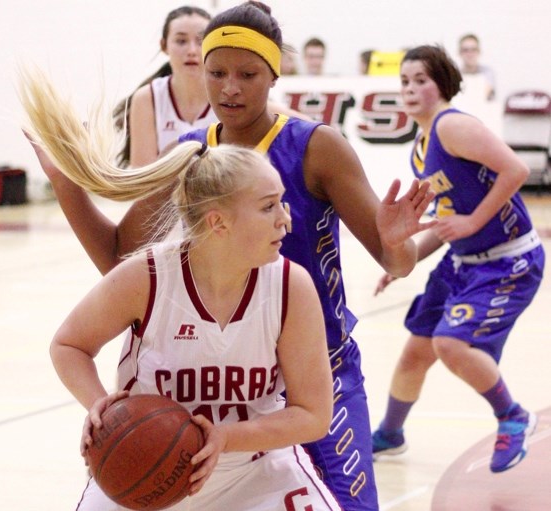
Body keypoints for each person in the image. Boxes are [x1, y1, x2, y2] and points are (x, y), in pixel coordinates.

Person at [23, 2, 435, 509]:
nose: (230, 88)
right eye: (216, 72)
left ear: (274, 75)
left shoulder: (317, 147)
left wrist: (394, 242)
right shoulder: (191, 155)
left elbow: (397, 263)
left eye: (247, 74)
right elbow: (119, 262)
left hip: (317, 372)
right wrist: (65, 182)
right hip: (234, 382)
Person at [22, 77, 344, 508]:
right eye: (268, 206)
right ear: (218, 223)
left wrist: (224, 438)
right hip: (142, 467)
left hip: (254, 470)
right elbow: (68, 344)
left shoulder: (290, 285)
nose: (285, 220)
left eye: (282, 203)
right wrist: (101, 406)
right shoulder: (148, 276)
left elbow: (313, 416)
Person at [371, 45, 543, 474]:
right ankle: (391, 434)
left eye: (420, 80)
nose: (410, 89)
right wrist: (402, 261)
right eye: (404, 82)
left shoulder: (452, 126)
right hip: (464, 262)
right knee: (416, 352)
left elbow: (516, 170)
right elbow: (446, 222)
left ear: (442, 84)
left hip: (508, 260)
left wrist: (472, 222)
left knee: (450, 343)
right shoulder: (420, 146)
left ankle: (513, 416)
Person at [112, 5, 307, 170]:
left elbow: (305, 127)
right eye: (181, 41)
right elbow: (144, 185)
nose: (191, 50)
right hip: (172, 209)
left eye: (200, 41)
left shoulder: (234, 95)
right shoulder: (149, 97)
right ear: (164, 46)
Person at [458, 34, 496, 101]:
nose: (470, 54)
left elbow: (486, 92)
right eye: (466, 50)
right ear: (459, 52)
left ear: (479, 51)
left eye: (473, 50)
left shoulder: (487, 72)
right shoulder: (455, 74)